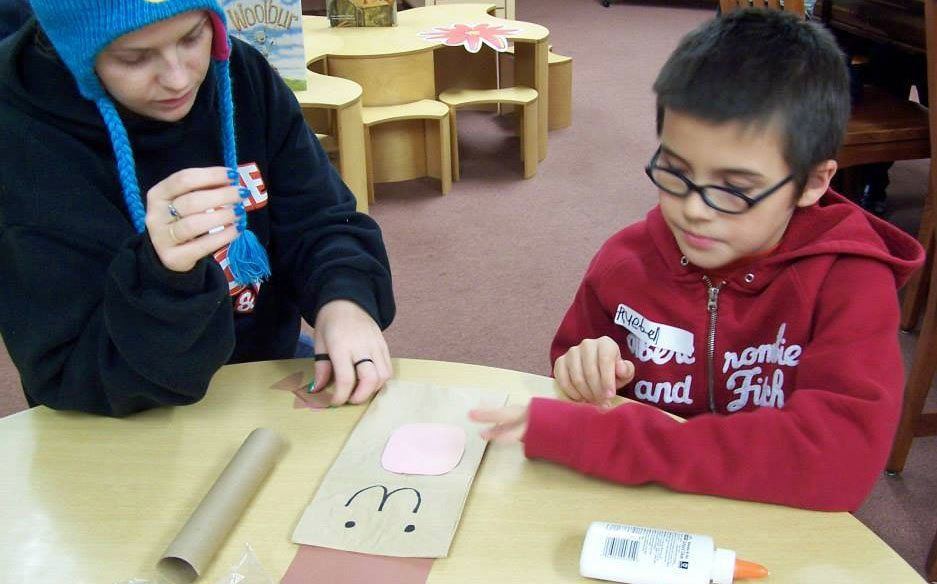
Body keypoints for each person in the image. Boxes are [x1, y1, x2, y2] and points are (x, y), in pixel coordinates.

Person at [471, 9, 924, 512]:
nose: (693, 209)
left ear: (814, 182)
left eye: (735, 189)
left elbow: (837, 464)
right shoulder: (627, 259)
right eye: (675, 171)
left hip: (773, 520)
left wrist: (601, 440)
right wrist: (584, 361)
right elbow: (573, 357)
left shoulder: (851, 282)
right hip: (643, 505)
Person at [0, 1, 395, 416]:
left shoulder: (239, 70)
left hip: (256, 369)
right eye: (134, 58)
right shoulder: (22, 137)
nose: (177, 78)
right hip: (116, 404)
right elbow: (70, 369)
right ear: (73, 50)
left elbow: (320, 216)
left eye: (192, 37)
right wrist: (164, 274)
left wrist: (344, 301)